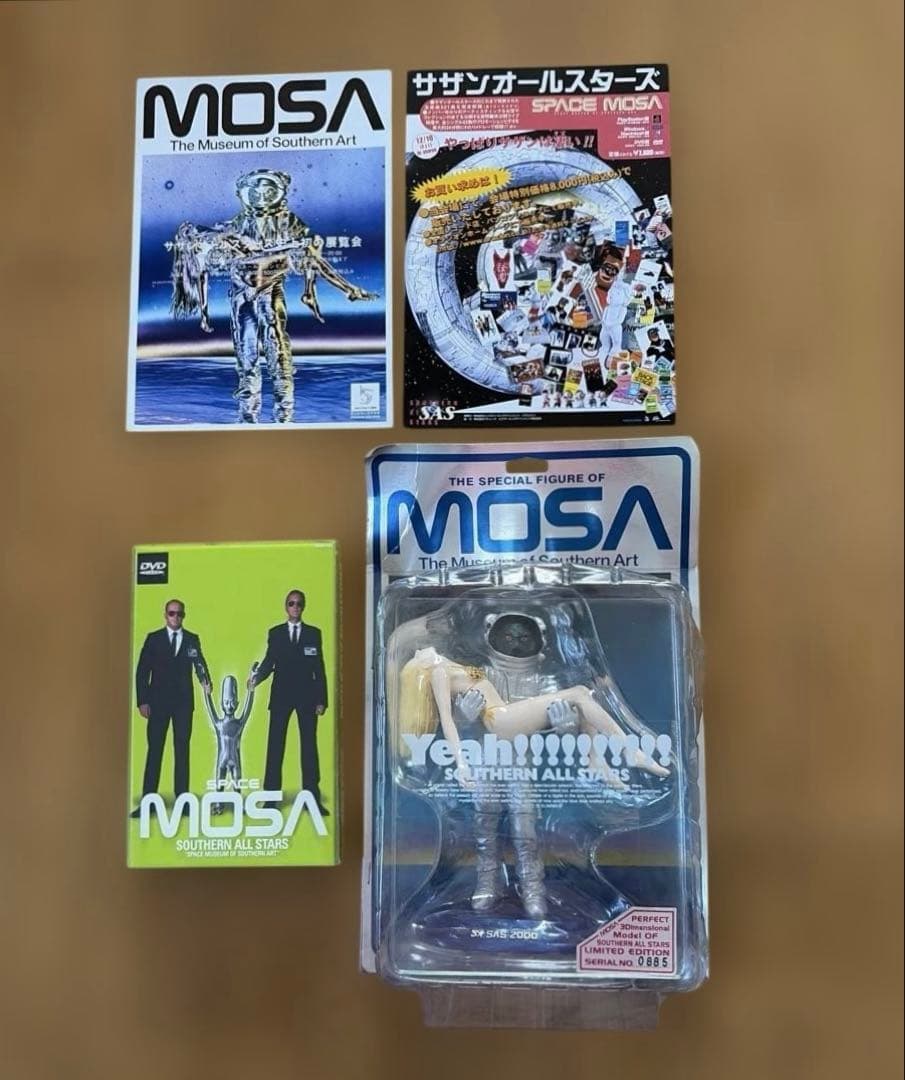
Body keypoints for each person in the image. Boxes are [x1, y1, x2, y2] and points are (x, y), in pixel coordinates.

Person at [167, 169, 376, 424]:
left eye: (268, 191)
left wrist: (348, 288)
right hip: (241, 295)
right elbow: (205, 265)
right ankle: (248, 417)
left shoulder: (289, 224)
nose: (261, 196)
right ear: (243, 194)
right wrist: (203, 306)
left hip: (270, 292)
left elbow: (314, 259)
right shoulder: (233, 227)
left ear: (280, 193)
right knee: (246, 352)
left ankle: (284, 415)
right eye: (255, 191)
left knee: (277, 349)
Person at [251, 590, 329, 813]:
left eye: (299, 604)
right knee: (275, 747)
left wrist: (322, 699)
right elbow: (269, 661)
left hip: (307, 697)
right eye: (292, 603)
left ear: (303, 607)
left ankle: (312, 799)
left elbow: (319, 668)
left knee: (309, 747)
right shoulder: (276, 633)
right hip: (281, 696)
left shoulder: (313, 633)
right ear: (286, 607)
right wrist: (256, 678)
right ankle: (270, 798)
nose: (295, 607)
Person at [131, 600, 210, 817]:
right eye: (172, 613)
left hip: (183, 703)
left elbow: (199, 663)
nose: (176, 617)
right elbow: (142, 671)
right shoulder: (154, 639)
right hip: (157, 703)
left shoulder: (192, 639)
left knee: (182, 750)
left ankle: (183, 802)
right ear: (165, 615)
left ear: (184, 615)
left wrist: (205, 681)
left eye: (179, 614)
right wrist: (142, 701)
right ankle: (148, 802)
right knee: (155, 750)